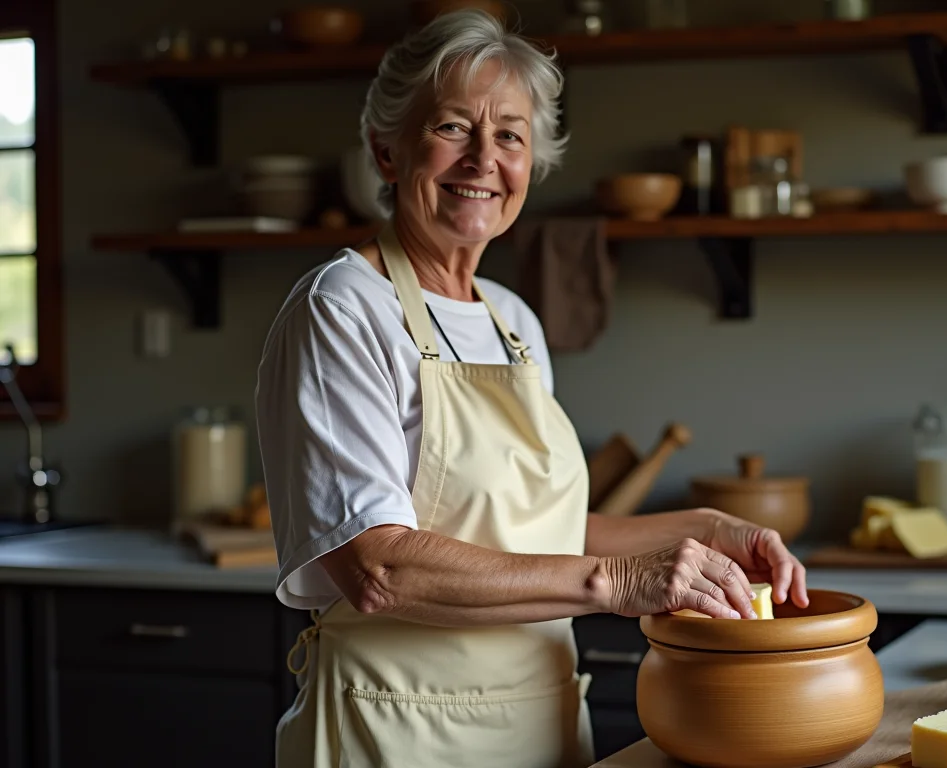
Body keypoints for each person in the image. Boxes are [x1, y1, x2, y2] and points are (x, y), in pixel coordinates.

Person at [254, 10, 808, 768]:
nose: (484, 158)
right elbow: (379, 568)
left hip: (541, 729)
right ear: (387, 150)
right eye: (454, 127)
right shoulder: (341, 307)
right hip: (394, 731)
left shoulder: (511, 320)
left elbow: (537, 539)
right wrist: (617, 581)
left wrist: (705, 530)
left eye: (510, 135)